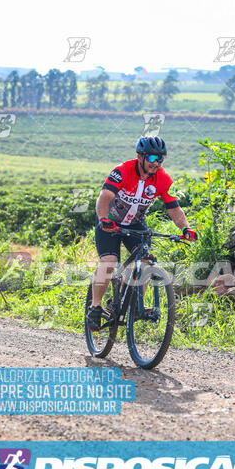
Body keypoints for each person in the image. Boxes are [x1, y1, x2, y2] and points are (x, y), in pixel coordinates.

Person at [86, 136, 198, 331]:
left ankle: (132, 305)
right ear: (140, 156)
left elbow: (173, 207)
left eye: (161, 158)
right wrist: (104, 219)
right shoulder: (121, 171)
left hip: (136, 223)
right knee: (110, 262)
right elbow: (105, 197)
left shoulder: (163, 179)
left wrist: (185, 228)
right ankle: (95, 307)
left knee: (144, 262)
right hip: (109, 221)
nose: (157, 163)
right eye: (153, 158)